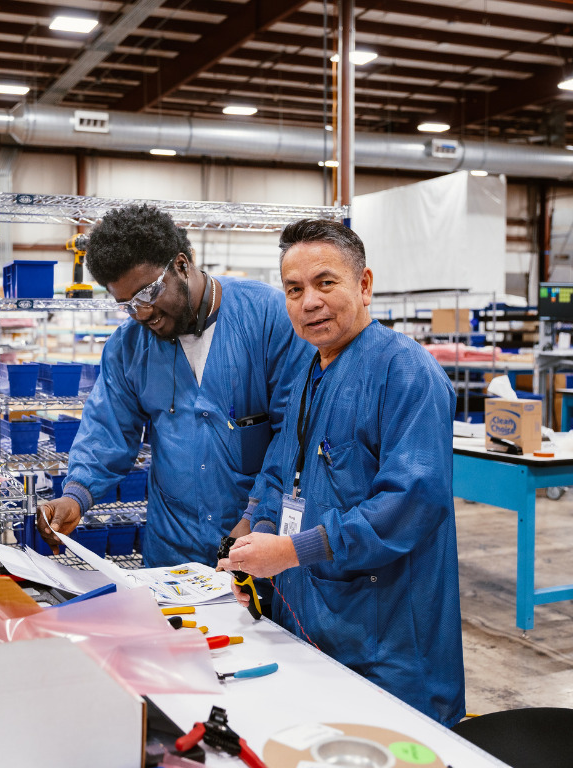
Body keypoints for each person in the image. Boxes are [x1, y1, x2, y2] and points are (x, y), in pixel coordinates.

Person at [219, 218, 465, 726]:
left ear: (364, 284)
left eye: (325, 283)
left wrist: (289, 551)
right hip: (316, 621)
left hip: (388, 641)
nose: (309, 301)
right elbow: (282, 469)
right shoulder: (311, 372)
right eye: (294, 289)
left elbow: (410, 501)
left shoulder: (407, 374)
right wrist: (256, 537)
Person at [36, 204, 311, 567]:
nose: (142, 313)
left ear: (181, 265)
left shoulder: (268, 318)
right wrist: (75, 497)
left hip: (255, 546)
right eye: (127, 304)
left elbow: (293, 435)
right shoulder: (129, 347)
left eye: (148, 293)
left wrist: (257, 514)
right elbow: (107, 431)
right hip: (171, 553)